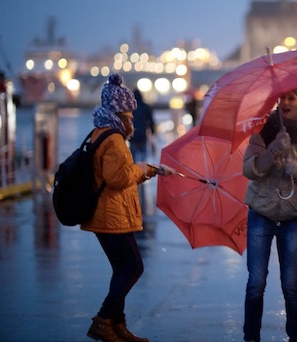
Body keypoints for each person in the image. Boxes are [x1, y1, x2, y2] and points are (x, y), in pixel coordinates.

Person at [81, 74, 174, 342]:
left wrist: (151, 169)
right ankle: (103, 321)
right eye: (128, 111)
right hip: (110, 215)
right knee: (133, 267)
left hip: (110, 213)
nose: (132, 116)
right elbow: (118, 178)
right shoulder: (113, 139)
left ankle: (116, 326)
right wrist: (145, 168)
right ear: (118, 111)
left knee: (122, 269)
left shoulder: (104, 132)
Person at [242, 82, 297, 342]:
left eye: (292, 97)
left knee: (291, 284)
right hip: (261, 213)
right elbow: (249, 169)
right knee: (256, 283)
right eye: (282, 97)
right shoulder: (264, 129)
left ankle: (296, 337)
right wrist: (272, 150)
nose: (286, 102)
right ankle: (251, 337)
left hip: (294, 216)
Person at [129, 88, 155, 163]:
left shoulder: (130, 108)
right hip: (142, 134)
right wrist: (152, 132)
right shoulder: (146, 107)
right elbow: (151, 121)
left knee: (132, 156)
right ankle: (142, 170)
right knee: (143, 154)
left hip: (132, 134)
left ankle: (133, 171)